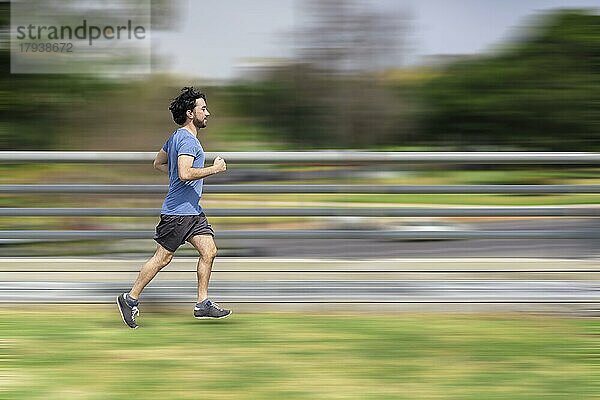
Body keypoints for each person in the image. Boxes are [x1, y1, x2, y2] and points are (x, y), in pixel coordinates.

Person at [117, 87, 231, 329]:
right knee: (162, 258)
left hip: (192, 212)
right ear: (191, 113)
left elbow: (158, 163)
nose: (207, 113)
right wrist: (215, 169)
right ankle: (130, 298)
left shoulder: (175, 137)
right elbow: (185, 173)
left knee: (209, 251)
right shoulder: (188, 141)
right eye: (203, 109)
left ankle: (202, 303)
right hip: (178, 213)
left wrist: (176, 177)